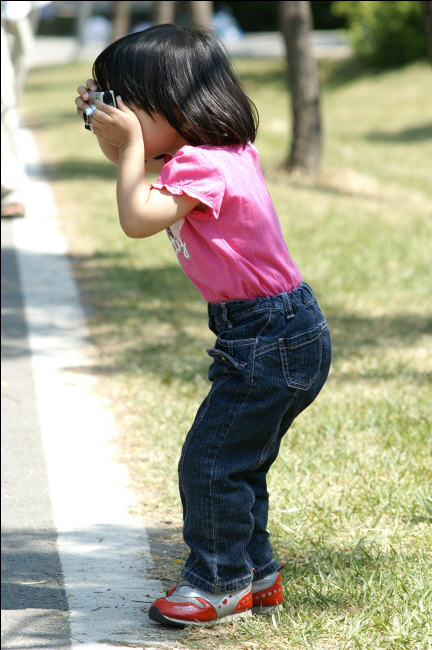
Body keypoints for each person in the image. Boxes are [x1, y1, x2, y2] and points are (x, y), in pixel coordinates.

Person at [75, 24, 331, 628]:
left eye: (126, 102)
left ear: (177, 104)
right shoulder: (212, 154)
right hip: (275, 329)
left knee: (211, 463)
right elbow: (135, 166)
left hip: (270, 334)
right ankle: (255, 573)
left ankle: (217, 582)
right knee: (240, 461)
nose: (121, 117)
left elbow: (136, 217)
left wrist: (131, 145)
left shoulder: (205, 168)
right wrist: (108, 129)